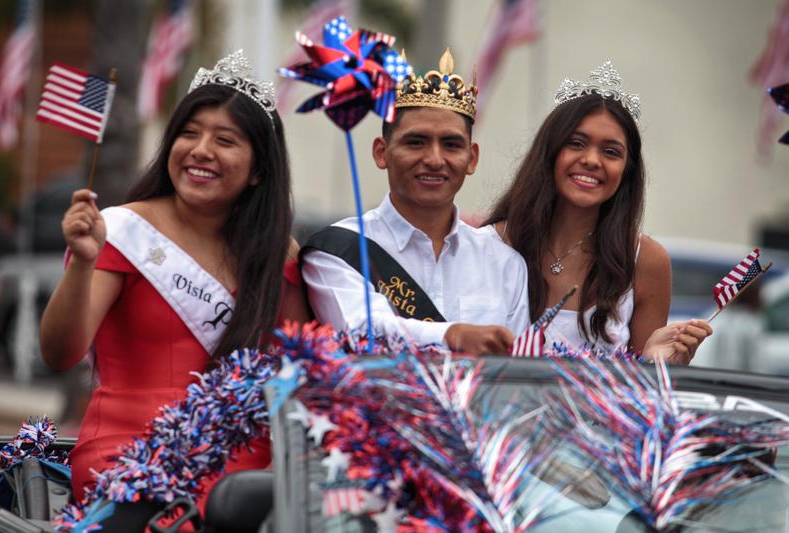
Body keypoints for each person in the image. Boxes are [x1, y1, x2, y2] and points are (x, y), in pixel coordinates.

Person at [39, 50, 309, 501]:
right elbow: (59, 354)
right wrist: (83, 264)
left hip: (246, 466)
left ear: (260, 169)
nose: (201, 150)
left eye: (225, 140)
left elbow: (299, 373)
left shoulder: (277, 252)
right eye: (189, 133)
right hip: (130, 457)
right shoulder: (124, 231)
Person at [301, 49, 530, 355]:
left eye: (451, 145)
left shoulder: (505, 264)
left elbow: (515, 366)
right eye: (416, 142)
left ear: (472, 158)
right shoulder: (336, 250)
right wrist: (453, 335)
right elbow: (361, 331)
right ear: (381, 152)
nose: (435, 159)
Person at [485, 60, 712, 363]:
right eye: (576, 143)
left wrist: (661, 361)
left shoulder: (645, 260)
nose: (592, 160)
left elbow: (643, 394)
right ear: (550, 153)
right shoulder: (488, 245)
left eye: (611, 152)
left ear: (626, 171)